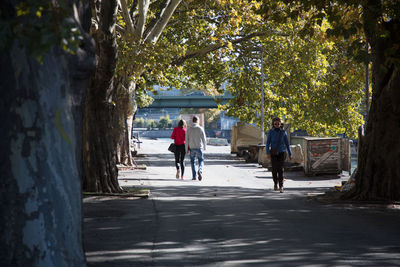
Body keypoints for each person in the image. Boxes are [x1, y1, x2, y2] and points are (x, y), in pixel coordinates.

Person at [266, 117, 292, 193]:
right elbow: (267, 144)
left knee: (280, 169)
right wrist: (267, 153)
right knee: (274, 169)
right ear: (273, 124)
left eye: (278, 123)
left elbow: (287, 144)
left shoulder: (283, 132)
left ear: (280, 124)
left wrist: (290, 154)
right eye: (275, 124)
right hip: (273, 153)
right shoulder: (270, 132)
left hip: (281, 152)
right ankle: (275, 183)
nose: (277, 125)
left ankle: (281, 186)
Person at [185, 116, 207, 181]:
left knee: (192, 162)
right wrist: (205, 146)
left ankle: (194, 176)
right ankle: (200, 170)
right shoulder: (200, 128)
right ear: (197, 121)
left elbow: (186, 140)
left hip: (192, 148)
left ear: (192, 121)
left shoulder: (188, 129)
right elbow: (204, 139)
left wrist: (186, 149)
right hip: (199, 147)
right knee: (201, 160)